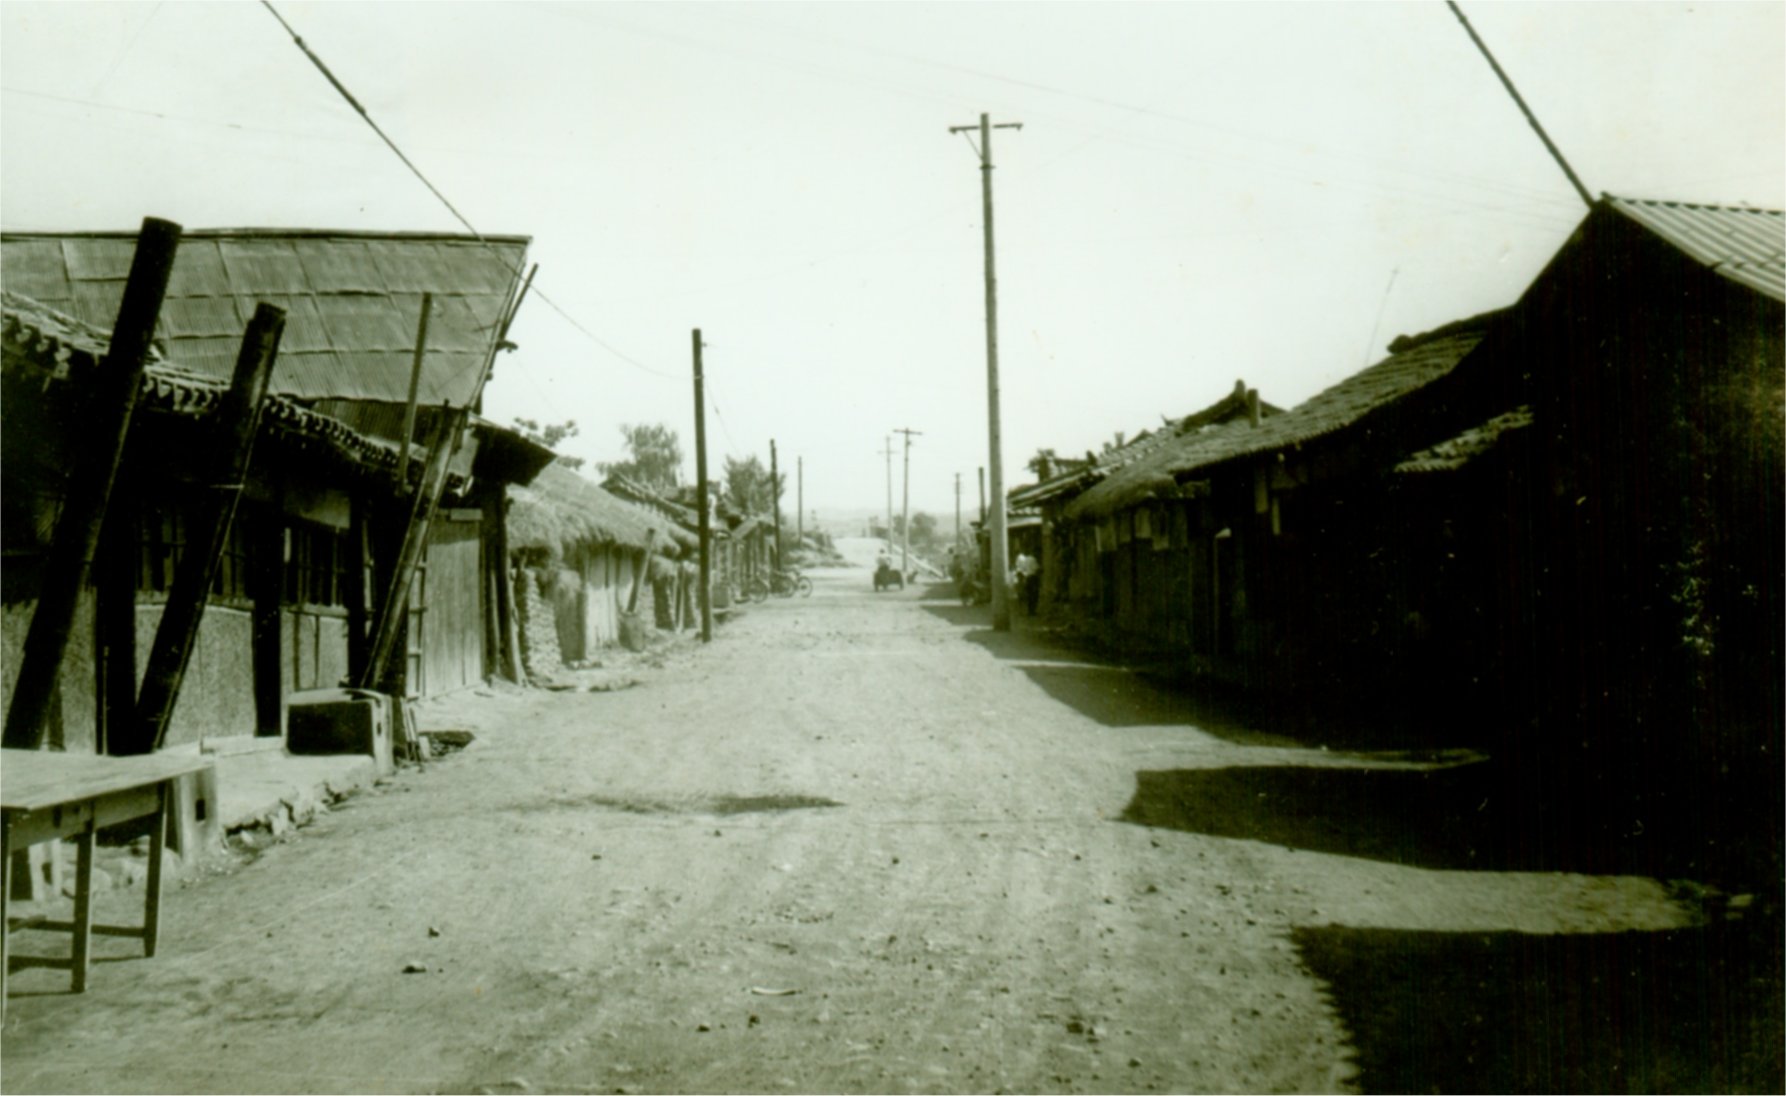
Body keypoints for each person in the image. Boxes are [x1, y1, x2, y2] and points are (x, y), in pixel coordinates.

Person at [1013, 550, 1040, 616]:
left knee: (1029, 595)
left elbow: (1022, 569)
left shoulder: (1024, 560)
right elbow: (1036, 568)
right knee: (1034, 595)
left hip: (1027, 578)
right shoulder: (1033, 559)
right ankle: (1032, 611)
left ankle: (1029, 610)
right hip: (1033, 577)